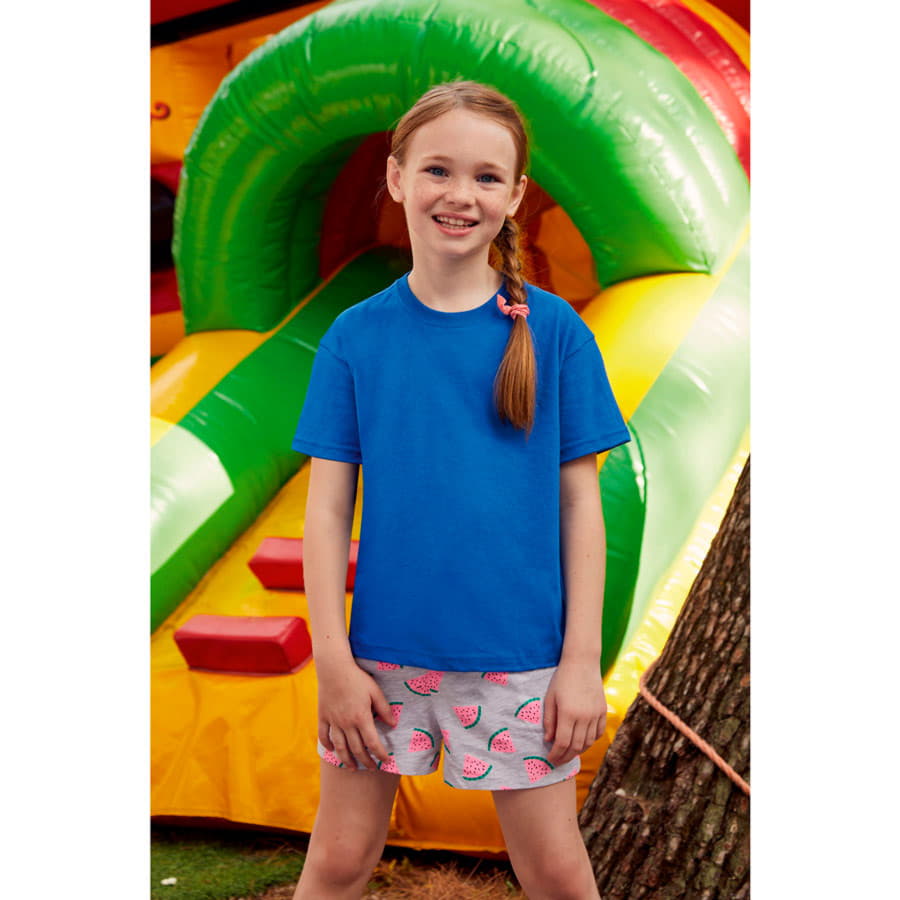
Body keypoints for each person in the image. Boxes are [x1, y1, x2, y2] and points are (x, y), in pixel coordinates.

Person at [290, 80, 630, 900]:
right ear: (397, 177)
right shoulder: (353, 338)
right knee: (337, 861)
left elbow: (580, 507)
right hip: (377, 664)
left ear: (514, 196)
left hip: (523, 663)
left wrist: (580, 663)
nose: (460, 194)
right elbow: (327, 511)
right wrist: (333, 663)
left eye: (486, 177)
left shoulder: (556, 333)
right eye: (438, 169)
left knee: (555, 872)